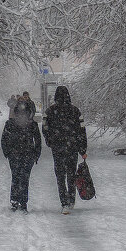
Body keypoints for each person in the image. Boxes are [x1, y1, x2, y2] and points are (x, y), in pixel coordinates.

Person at [43, 85, 88, 214]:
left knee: (60, 176)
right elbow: (82, 130)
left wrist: (50, 141)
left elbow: (45, 128)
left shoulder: (50, 111)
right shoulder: (75, 111)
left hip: (58, 148)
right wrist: (83, 149)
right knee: (71, 174)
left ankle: (64, 202)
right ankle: (71, 199)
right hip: (72, 147)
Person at [1, 98, 41, 212]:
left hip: (14, 155)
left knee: (15, 177)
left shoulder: (10, 124)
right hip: (28, 154)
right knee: (25, 178)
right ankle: (23, 202)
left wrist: (7, 152)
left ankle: (14, 200)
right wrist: (36, 154)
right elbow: (37, 140)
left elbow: (4, 139)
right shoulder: (32, 124)